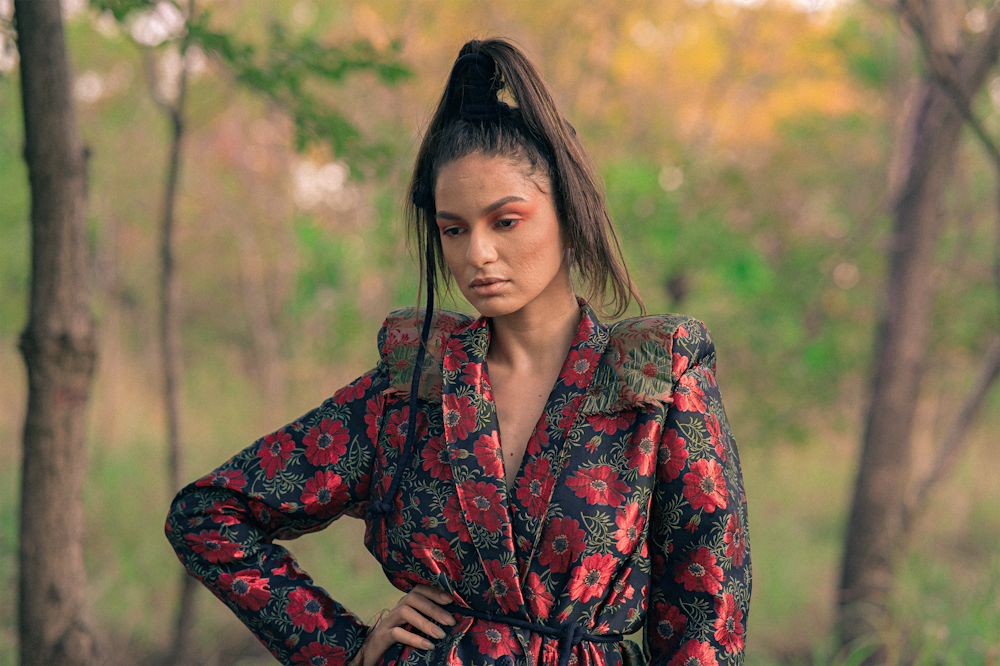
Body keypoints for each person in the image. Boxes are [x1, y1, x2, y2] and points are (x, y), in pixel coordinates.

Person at [166, 37, 751, 666]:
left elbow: (705, 613)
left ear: (567, 213)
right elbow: (209, 516)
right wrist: (344, 649)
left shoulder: (653, 381)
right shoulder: (412, 387)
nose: (477, 254)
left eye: (505, 221)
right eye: (453, 229)